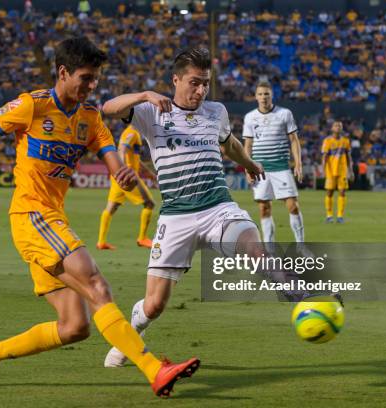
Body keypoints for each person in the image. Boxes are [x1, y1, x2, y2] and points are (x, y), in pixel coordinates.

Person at [0, 37, 199, 398]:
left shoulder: (90, 117)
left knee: (74, 326)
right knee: (97, 285)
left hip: (51, 221)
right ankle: (153, 369)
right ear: (63, 73)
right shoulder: (31, 106)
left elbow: (112, 159)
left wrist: (123, 174)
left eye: (96, 79)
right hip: (31, 215)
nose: (91, 86)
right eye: (85, 78)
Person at [99, 47, 267, 368]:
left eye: (205, 83)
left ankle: (300, 293)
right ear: (175, 80)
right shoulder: (152, 112)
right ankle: (131, 334)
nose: (201, 90)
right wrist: (143, 95)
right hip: (176, 217)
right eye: (194, 82)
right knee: (155, 305)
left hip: (218, 208)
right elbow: (108, 108)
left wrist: (249, 162)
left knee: (255, 250)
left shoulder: (215, 111)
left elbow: (229, 144)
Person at [242, 82, 305, 244]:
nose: (263, 97)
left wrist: (298, 163)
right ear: (255, 96)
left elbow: (294, 140)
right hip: (260, 169)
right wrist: (247, 169)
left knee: (293, 206)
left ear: (272, 95)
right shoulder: (250, 117)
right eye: (260, 94)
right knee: (264, 208)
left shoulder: (284, 114)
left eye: (266, 94)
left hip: (281, 167)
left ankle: (301, 246)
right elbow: (247, 145)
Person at [97, 124, 156, 250]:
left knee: (111, 207)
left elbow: (135, 158)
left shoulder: (134, 133)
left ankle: (101, 242)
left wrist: (149, 173)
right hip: (129, 175)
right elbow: (122, 150)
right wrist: (123, 170)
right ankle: (142, 238)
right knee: (149, 203)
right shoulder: (131, 132)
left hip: (118, 174)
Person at [321, 121, 353, 223]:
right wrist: (323, 169)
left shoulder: (345, 141)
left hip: (342, 170)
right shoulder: (327, 141)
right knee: (329, 192)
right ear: (332, 128)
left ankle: (340, 216)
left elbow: (349, 156)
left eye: (340, 125)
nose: (338, 127)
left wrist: (350, 170)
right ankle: (329, 215)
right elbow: (324, 156)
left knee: (342, 192)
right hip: (330, 170)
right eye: (336, 125)